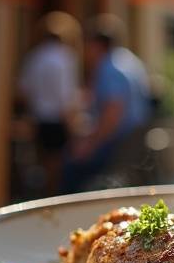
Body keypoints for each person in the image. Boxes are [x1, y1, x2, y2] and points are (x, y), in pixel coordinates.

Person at [62, 15, 151, 193]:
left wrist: (90, 144)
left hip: (119, 146)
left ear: (96, 45)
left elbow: (113, 113)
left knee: (70, 164)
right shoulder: (129, 60)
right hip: (134, 142)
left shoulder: (110, 68)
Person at [19, 12, 80, 195]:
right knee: (57, 167)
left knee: (44, 164)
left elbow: (24, 89)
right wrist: (72, 124)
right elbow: (65, 95)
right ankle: (54, 198)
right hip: (57, 120)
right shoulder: (65, 57)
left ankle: (46, 195)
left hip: (39, 118)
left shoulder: (34, 57)